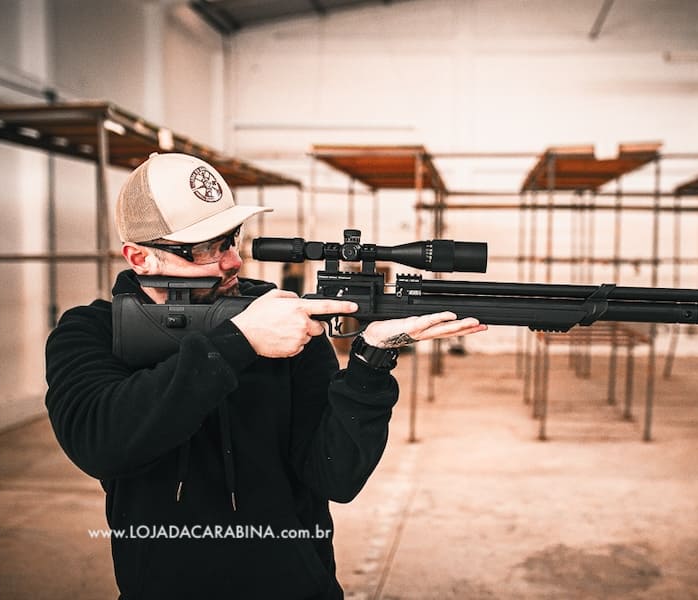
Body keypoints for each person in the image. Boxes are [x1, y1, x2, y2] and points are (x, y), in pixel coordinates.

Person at [45, 152, 486, 599]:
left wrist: (370, 364)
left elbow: (336, 477)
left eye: (232, 239)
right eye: (207, 248)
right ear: (141, 258)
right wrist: (239, 343)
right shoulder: (91, 331)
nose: (232, 261)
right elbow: (100, 444)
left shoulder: (282, 318)